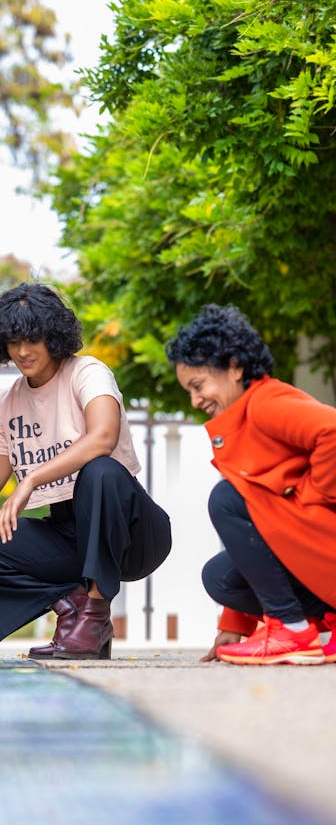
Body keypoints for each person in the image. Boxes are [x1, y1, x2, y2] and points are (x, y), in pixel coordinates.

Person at [166, 303, 336, 666]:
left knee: (226, 498)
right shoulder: (248, 415)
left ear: (235, 367)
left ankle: (291, 630)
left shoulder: (266, 403)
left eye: (198, 385)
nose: (196, 400)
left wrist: (316, 495)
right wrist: (234, 623)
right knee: (222, 578)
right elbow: (258, 533)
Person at [0, 282, 171, 659]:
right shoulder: (10, 402)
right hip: (66, 537)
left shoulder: (87, 372)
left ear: (54, 334)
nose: (23, 351)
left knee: (100, 471)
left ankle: (94, 612)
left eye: (33, 339)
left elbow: (103, 437)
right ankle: (71, 604)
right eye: (13, 341)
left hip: (129, 529)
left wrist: (31, 479)